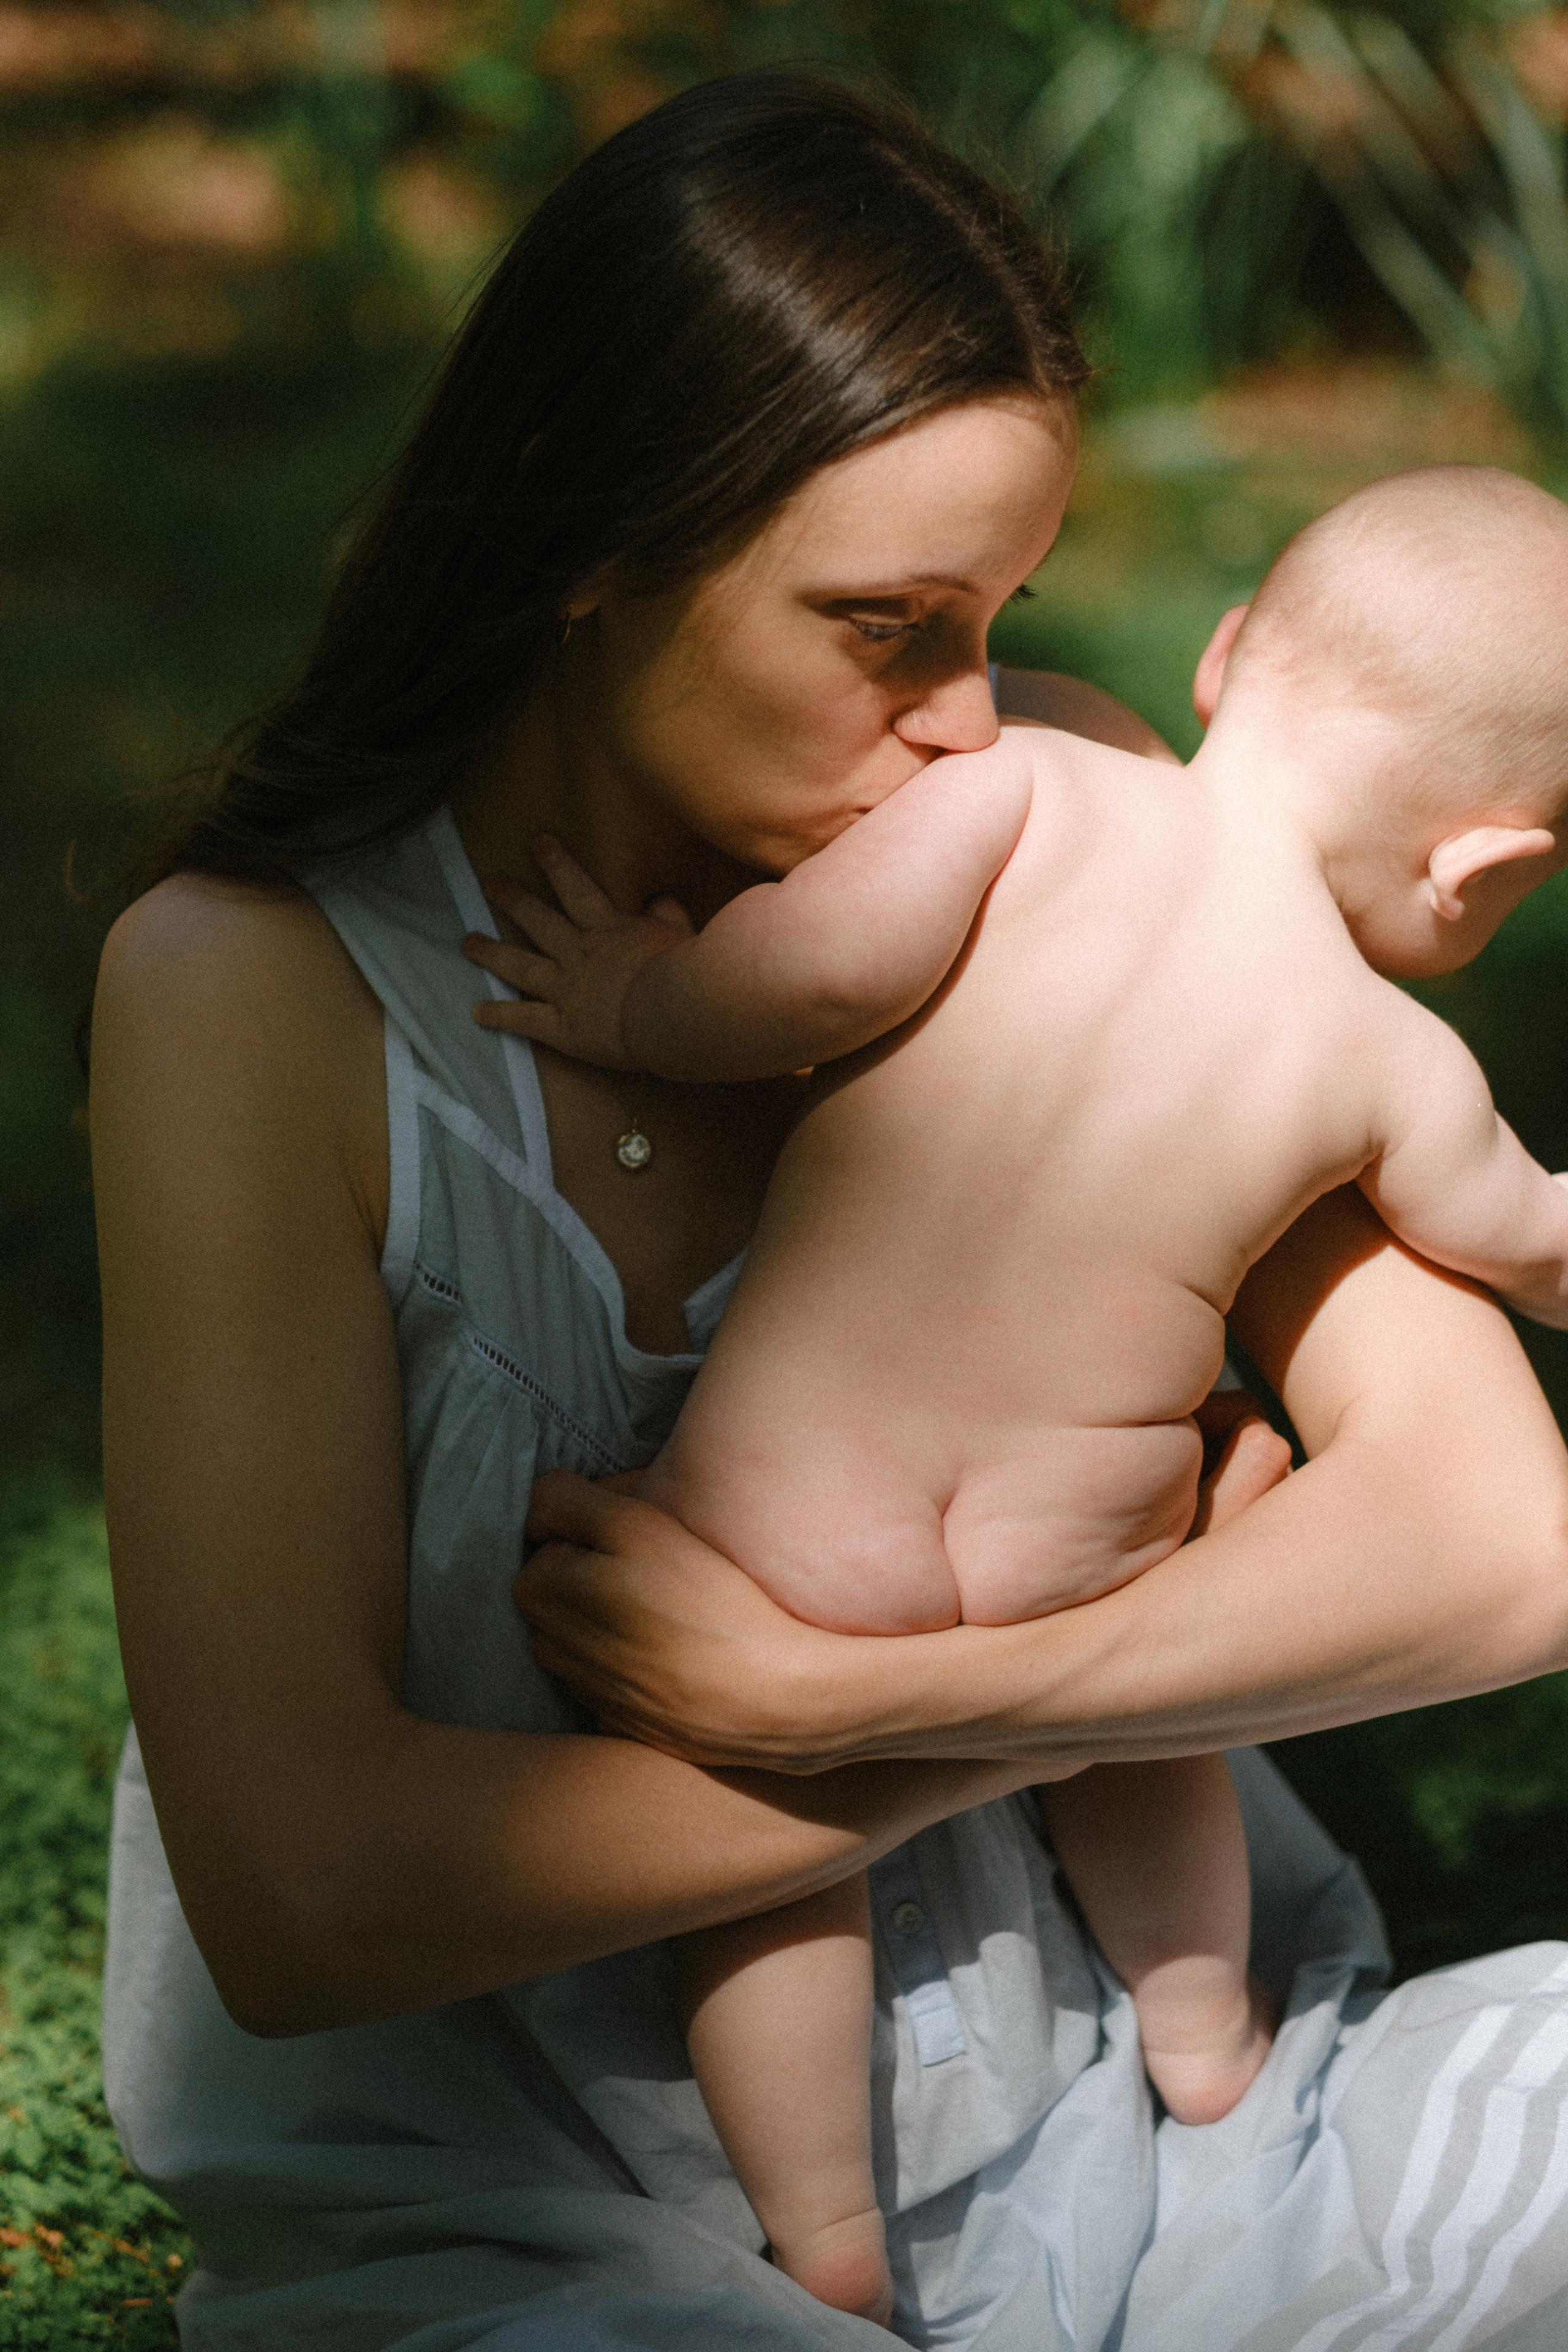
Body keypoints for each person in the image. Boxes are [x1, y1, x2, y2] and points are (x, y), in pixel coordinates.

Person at [91, 67, 1568, 2352]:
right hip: (549, 2252)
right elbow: (307, 1895)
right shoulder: (254, 1005)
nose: (973, 720)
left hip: (1179, 2150)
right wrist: (994, 1720)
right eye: (890, 626)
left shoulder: (1066, 832)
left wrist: (856, 1680)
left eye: (1002, 616)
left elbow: (1507, 1543)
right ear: (600, 544)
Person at [467, 461, 1568, 2328]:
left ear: (1221, 658)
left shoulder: (1029, 794)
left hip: (804, 1505)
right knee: (1155, 1738)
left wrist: (637, 1001)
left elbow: (810, 977)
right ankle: (1206, 2034)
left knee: (760, 1853)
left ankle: (818, 2231)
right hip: (1092, 1532)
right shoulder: (1393, 1058)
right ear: (1487, 869)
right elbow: (1527, 1244)